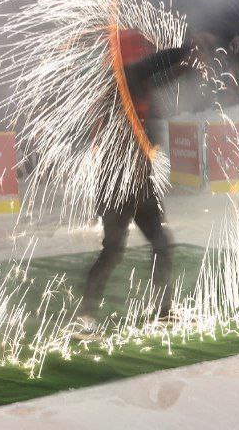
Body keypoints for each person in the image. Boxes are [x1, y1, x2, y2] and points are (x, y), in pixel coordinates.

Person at [77, 29, 197, 328]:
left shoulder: (136, 82)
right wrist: (183, 50)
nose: (144, 56)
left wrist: (183, 69)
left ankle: (165, 308)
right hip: (116, 184)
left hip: (139, 181)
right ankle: (86, 313)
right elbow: (153, 67)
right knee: (113, 251)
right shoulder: (121, 77)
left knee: (161, 243)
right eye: (140, 51)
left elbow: (156, 77)